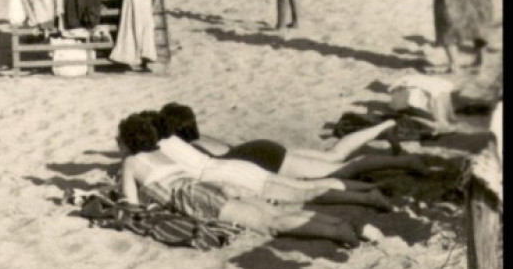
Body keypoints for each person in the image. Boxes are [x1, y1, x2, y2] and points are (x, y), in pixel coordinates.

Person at [116, 113, 380, 247]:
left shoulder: (130, 162)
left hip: (193, 195)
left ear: (127, 143)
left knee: (268, 223)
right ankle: (344, 223)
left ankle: (338, 230)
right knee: (275, 209)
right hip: (210, 183)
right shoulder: (159, 151)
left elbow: (131, 206)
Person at [156, 104, 428, 180]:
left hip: (265, 159)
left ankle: (407, 161)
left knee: (342, 168)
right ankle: (386, 125)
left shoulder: (186, 148)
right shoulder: (200, 137)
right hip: (259, 149)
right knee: (334, 155)